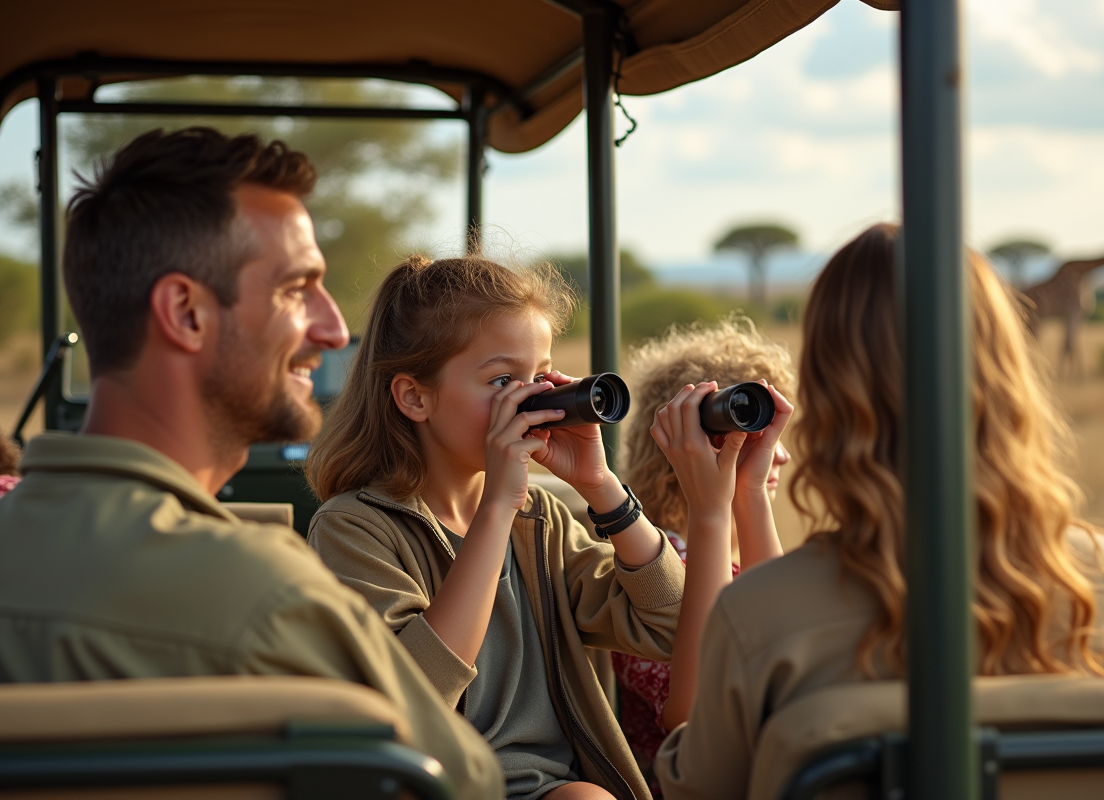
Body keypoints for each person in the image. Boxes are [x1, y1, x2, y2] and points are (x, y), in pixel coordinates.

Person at [0, 127, 503, 800]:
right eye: (298, 289)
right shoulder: (275, 598)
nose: (330, 331)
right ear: (185, 312)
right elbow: (467, 785)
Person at [654, 223, 1104, 800]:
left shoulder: (764, 615)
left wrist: (712, 517)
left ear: (827, 392)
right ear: (1007, 377)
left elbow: (694, 778)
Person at [304, 254, 687, 800]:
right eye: (503, 380)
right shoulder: (354, 529)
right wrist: (497, 508)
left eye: (541, 377)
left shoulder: (543, 520)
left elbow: (670, 624)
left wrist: (602, 486)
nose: (530, 401)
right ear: (415, 397)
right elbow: (413, 693)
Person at [612, 318, 794, 793]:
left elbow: (783, 653)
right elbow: (695, 718)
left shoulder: (743, 552)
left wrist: (748, 493)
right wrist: (711, 510)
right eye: (747, 426)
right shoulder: (650, 562)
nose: (781, 455)